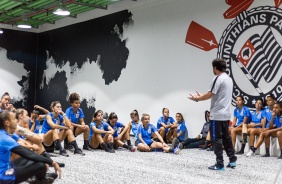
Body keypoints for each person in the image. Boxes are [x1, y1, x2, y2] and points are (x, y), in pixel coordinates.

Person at [188, 58, 237, 171]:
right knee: (226, 138)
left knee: (216, 139)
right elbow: (217, 95)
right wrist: (201, 96)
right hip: (226, 114)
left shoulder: (217, 78)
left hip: (217, 114)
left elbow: (209, 94)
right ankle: (232, 160)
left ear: (215, 68)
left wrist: (197, 99)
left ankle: (219, 164)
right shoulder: (229, 79)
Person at [0, 110, 62, 184]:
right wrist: (52, 162)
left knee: (37, 160)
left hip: (7, 166)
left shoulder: (4, 133)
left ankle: (40, 179)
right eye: (14, 119)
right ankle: (40, 181)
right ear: (7, 123)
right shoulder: (4, 138)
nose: (16, 120)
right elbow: (27, 154)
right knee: (40, 165)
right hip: (2, 176)